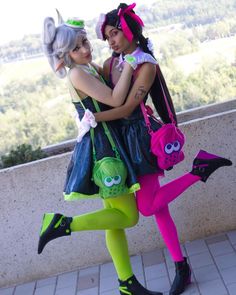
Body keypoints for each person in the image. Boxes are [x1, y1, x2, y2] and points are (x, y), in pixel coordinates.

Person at [93, 3, 233, 295]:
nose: (111, 41)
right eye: (107, 37)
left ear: (130, 30)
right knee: (158, 208)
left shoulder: (146, 64)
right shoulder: (110, 63)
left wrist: (93, 119)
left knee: (148, 206)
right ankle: (182, 266)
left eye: (115, 33)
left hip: (141, 140)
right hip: (120, 143)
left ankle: (199, 170)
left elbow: (129, 105)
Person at [38, 12, 163, 295]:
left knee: (114, 220)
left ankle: (126, 283)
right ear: (66, 55)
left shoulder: (89, 67)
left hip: (106, 144)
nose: (85, 49)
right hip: (103, 151)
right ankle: (63, 224)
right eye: (76, 48)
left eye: (84, 42)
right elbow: (116, 99)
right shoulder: (78, 73)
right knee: (128, 217)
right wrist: (132, 64)